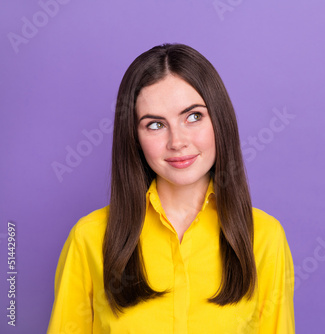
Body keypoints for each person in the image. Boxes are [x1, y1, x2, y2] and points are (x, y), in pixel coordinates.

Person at [47, 43, 295, 333]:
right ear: (134, 136)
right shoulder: (89, 239)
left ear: (220, 120)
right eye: (154, 125)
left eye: (193, 117)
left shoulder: (264, 238)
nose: (177, 141)